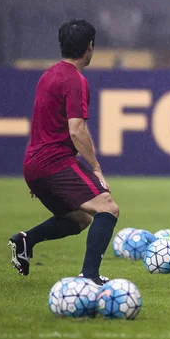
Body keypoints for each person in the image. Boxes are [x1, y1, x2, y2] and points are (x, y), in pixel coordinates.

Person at [9, 19, 119, 286]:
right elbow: (77, 130)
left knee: (79, 218)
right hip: (54, 162)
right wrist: (95, 167)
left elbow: (41, 124)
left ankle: (26, 240)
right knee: (108, 208)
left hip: (36, 164)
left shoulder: (49, 75)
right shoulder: (75, 81)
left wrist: (36, 175)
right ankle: (89, 277)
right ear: (90, 47)